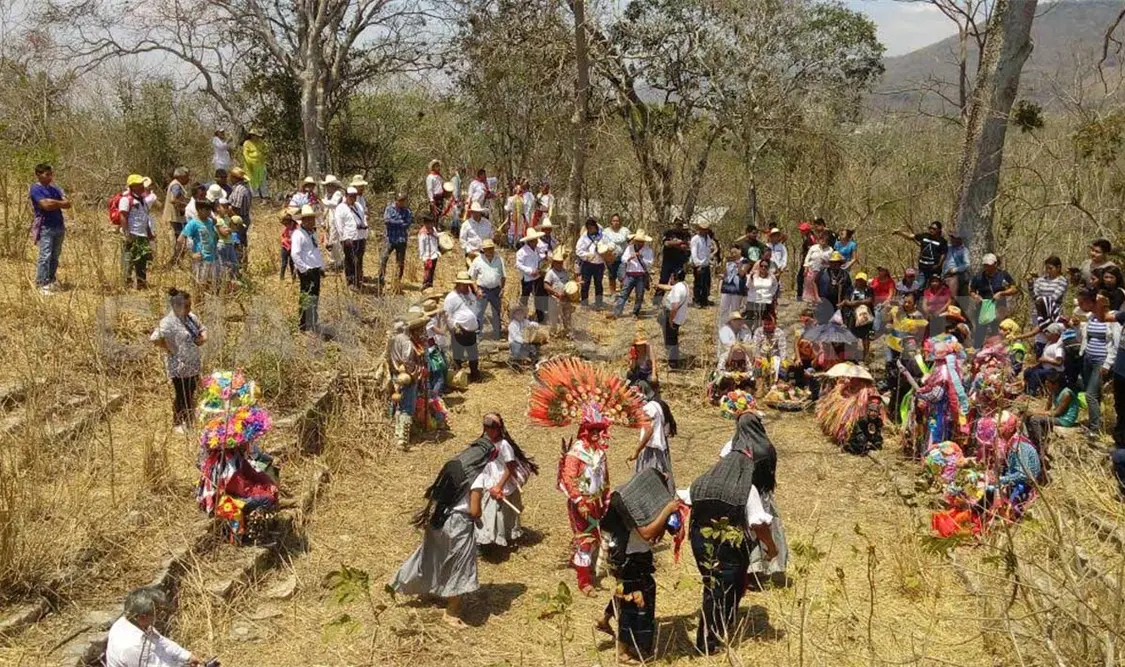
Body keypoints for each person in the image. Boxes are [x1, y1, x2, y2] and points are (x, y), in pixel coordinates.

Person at [390, 416, 500, 627]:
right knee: (460, 567)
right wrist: (479, 515)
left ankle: (409, 585)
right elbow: (475, 509)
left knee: (433, 556)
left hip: (438, 518)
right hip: (458, 523)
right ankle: (451, 613)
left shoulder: (455, 464)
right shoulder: (477, 477)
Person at [687, 413, 779, 655]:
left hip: (701, 542)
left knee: (712, 587)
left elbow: (683, 498)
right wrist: (771, 547)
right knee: (729, 587)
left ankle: (714, 632)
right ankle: (710, 639)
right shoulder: (746, 490)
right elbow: (759, 525)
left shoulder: (701, 483)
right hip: (731, 544)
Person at [594, 472, 681, 664]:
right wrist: (667, 510)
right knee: (631, 604)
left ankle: (604, 618)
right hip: (629, 557)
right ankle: (622, 651)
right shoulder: (630, 504)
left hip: (627, 553)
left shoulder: (628, 495)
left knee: (623, 590)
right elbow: (647, 533)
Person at [559, 406, 613, 595]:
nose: (598, 434)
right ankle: (584, 582)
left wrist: (606, 498)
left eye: (599, 430)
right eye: (593, 430)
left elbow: (605, 478)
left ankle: (583, 564)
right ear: (585, 431)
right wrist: (580, 501)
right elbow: (569, 478)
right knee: (586, 540)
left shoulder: (600, 453)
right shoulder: (576, 453)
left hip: (596, 503)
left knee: (595, 537)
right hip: (581, 504)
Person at [476, 414, 538, 549]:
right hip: (489, 480)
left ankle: (498, 539)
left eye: (492, 428)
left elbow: (510, 467)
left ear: (499, 428)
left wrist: (499, 486)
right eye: (487, 428)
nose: (489, 431)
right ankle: (487, 541)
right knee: (489, 513)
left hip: (501, 482)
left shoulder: (504, 445)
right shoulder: (485, 442)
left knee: (500, 513)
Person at [150, 288, 207, 435]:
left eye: (190, 305)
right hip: (179, 366)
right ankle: (178, 422)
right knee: (182, 394)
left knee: (191, 392)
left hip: (193, 364)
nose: (189, 308)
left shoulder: (190, 317)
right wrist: (168, 347)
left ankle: (188, 421)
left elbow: (201, 328)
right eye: (186, 306)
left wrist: (203, 338)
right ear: (176, 306)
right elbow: (155, 338)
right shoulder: (168, 322)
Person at [106, 586, 204, 667]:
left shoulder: (132, 621)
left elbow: (161, 642)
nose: (160, 615)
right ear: (142, 617)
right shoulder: (133, 646)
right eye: (156, 613)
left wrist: (187, 656)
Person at [1080, 290, 1120, 437]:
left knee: (1090, 394)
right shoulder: (1092, 317)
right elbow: (1086, 337)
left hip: (1101, 360)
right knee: (1092, 392)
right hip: (1088, 358)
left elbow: (1115, 344)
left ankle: (1094, 429)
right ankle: (1096, 419)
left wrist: (1107, 364)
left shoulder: (1113, 319)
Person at [29, 163, 71, 294]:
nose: (50, 177)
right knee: (45, 255)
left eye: (51, 174)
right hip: (46, 226)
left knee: (55, 255)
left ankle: (51, 280)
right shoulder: (35, 189)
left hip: (59, 225)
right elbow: (45, 205)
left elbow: (68, 203)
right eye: (47, 174)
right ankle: (41, 283)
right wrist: (58, 203)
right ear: (38, 174)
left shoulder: (55, 189)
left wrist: (53, 202)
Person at [628, 381, 677, 488]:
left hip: (652, 450)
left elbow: (648, 431)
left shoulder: (648, 409)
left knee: (650, 481)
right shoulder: (657, 404)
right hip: (660, 449)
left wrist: (637, 450)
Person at [970, 253, 1018, 347]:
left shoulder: (1003, 275)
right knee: (980, 331)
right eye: (985, 265)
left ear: (995, 264)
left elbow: (1014, 289)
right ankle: (977, 351)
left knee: (998, 329)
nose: (987, 267)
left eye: (989, 265)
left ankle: (1000, 351)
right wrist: (976, 296)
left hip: (999, 306)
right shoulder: (978, 277)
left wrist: (1002, 293)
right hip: (983, 307)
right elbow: (971, 290)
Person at [118, 174, 157, 290]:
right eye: (139, 185)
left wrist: (149, 233)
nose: (142, 187)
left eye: (142, 184)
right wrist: (127, 233)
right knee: (128, 259)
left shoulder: (143, 201)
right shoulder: (126, 200)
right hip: (132, 234)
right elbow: (123, 217)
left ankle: (141, 283)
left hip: (142, 235)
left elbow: (145, 217)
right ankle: (127, 284)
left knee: (142, 259)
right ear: (132, 187)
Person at [290, 205, 324, 333]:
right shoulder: (298, 234)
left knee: (314, 296)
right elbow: (295, 254)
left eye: (312, 219)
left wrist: (321, 266)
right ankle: (304, 324)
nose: (310, 221)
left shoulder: (312, 233)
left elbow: (315, 251)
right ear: (302, 221)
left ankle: (313, 322)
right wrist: (304, 270)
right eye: (307, 219)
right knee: (307, 296)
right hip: (307, 270)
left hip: (315, 268)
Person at [445, 272, 482, 381]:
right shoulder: (451, 298)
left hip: (471, 329)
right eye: (464, 284)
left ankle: (474, 374)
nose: (466, 286)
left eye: (467, 284)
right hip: (459, 329)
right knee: (458, 355)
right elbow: (447, 315)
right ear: (458, 284)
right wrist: (454, 327)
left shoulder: (469, 294)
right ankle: (458, 378)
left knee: (473, 354)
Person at [178, 199, 219, 292]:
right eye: (207, 210)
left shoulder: (210, 221)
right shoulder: (193, 223)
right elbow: (181, 239)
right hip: (201, 259)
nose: (209, 212)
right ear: (199, 210)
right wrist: (191, 254)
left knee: (211, 285)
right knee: (199, 286)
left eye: (210, 210)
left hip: (212, 258)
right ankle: (198, 305)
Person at [468, 239, 505, 340]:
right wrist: (476, 290)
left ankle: (497, 335)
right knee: (479, 313)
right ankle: (477, 336)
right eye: (488, 249)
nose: (490, 250)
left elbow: (503, 276)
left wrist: (502, 289)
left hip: (496, 290)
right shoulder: (477, 260)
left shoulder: (499, 259)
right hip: (482, 290)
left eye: (491, 248)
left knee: (496, 313)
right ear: (483, 250)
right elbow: (471, 277)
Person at [614, 230, 654, 319]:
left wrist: (641, 257)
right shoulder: (629, 248)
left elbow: (650, 262)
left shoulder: (648, 250)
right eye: (637, 241)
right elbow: (623, 259)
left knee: (639, 295)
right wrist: (630, 257)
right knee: (623, 294)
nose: (639, 243)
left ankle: (635, 313)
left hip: (641, 275)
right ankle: (617, 312)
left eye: (641, 241)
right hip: (630, 274)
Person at [335, 187, 366, 289]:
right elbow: (339, 225)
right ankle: (350, 281)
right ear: (346, 196)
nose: (353, 198)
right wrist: (344, 238)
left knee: (359, 260)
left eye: (354, 196)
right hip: (349, 238)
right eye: (351, 196)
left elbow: (363, 218)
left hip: (360, 236)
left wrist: (364, 227)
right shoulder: (340, 208)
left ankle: (358, 280)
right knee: (350, 260)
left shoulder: (359, 206)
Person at [379, 192, 412, 289]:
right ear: (396, 200)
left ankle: (397, 281)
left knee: (400, 262)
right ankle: (381, 279)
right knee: (383, 258)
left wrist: (395, 222)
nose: (402, 203)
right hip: (390, 238)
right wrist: (400, 222)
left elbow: (407, 224)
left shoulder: (407, 211)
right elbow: (387, 221)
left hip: (401, 239)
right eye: (400, 200)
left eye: (403, 200)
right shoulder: (389, 209)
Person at [658, 270, 690, 368]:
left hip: (673, 316)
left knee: (672, 339)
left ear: (675, 278)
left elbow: (674, 307)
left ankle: (673, 363)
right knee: (671, 336)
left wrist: (671, 320)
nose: (670, 278)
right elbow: (669, 287)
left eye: (672, 277)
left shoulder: (677, 289)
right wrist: (658, 285)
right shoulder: (683, 285)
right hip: (678, 316)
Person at [655, 218, 691, 303]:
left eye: (680, 225)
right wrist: (679, 243)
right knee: (663, 279)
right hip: (668, 260)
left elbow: (686, 247)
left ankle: (675, 299)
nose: (679, 226)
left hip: (679, 261)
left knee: (678, 280)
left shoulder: (686, 234)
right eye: (677, 224)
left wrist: (674, 244)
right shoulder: (668, 233)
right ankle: (657, 300)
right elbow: (666, 244)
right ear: (674, 224)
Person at [161, 167, 191, 269]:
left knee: (179, 241)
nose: (188, 178)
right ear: (181, 176)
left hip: (177, 218)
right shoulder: (176, 185)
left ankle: (176, 262)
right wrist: (186, 204)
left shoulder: (177, 184)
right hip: (176, 218)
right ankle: (176, 262)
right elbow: (174, 200)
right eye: (187, 176)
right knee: (180, 240)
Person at [1024, 323, 1065, 395]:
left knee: (1036, 374)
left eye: (1049, 332)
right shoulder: (1049, 343)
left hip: (1055, 371)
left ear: (1055, 334)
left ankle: (1031, 393)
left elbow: (1059, 362)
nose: (1046, 334)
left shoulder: (1059, 346)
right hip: (1045, 367)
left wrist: (1045, 360)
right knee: (1028, 371)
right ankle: (1026, 388)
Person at [516, 228, 546, 323]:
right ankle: (522, 316)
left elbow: (539, 258)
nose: (536, 242)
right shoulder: (521, 252)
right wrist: (530, 271)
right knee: (525, 297)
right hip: (527, 278)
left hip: (537, 277)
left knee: (539, 296)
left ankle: (540, 317)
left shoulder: (536, 249)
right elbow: (519, 265)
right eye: (534, 240)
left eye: (536, 240)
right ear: (529, 241)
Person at [575, 217, 607, 308]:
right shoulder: (584, 237)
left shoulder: (602, 236)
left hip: (599, 264)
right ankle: (584, 304)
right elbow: (578, 250)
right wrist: (587, 255)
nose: (591, 229)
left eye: (592, 227)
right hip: (587, 264)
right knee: (585, 284)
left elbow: (608, 245)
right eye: (588, 228)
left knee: (598, 284)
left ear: (596, 227)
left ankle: (599, 304)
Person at [717, 247, 748, 338]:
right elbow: (726, 274)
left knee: (735, 310)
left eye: (735, 251)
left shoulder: (745, 261)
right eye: (732, 252)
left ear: (740, 251)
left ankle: (735, 331)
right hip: (727, 288)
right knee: (723, 309)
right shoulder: (728, 261)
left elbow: (742, 274)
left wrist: (738, 265)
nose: (733, 253)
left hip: (737, 290)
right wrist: (722, 276)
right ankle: (723, 330)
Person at [842, 272, 874, 359]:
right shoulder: (851, 289)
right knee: (853, 336)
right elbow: (846, 300)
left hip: (865, 315)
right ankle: (853, 356)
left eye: (862, 280)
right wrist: (851, 304)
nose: (860, 282)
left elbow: (870, 300)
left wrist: (858, 302)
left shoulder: (869, 290)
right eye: (858, 280)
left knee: (866, 336)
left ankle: (866, 355)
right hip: (852, 316)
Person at [544, 247, 575, 336]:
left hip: (565, 298)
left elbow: (569, 284)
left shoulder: (566, 272)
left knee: (567, 316)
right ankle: (553, 333)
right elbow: (546, 285)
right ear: (554, 263)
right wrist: (555, 293)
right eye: (557, 263)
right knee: (553, 317)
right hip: (554, 298)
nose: (559, 264)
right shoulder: (550, 273)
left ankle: (568, 331)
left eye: (561, 263)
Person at [815, 251, 852, 324]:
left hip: (839, 304)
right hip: (824, 302)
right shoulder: (823, 272)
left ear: (840, 263)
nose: (834, 264)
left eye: (836, 262)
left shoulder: (845, 275)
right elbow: (814, 282)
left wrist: (844, 301)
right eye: (832, 262)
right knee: (823, 323)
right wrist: (817, 296)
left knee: (837, 324)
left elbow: (849, 289)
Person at [745, 258, 779, 333]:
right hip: (753, 300)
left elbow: (775, 286)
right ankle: (750, 335)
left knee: (764, 319)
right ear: (759, 266)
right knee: (750, 320)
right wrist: (751, 278)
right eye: (762, 266)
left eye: (766, 266)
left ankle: (763, 335)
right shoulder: (753, 276)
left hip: (766, 300)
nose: (763, 268)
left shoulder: (772, 277)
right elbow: (748, 286)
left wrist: (771, 294)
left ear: (768, 267)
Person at [690, 222, 718, 307]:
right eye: (703, 229)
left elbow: (708, 251)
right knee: (698, 283)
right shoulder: (695, 239)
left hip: (706, 264)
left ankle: (704, 300)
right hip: (699, 265)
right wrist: (697, 264)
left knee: (706, 283)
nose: (705, 231)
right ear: (699, 229)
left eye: (706, 229)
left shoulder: (708, 238)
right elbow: (694, 253)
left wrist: (710, 260)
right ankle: (696, 300)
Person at [602, 214, 631, 294]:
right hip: (610, 258)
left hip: (622, 258)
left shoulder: (625, 231)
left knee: (623, 277)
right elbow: (602, 244)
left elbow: (630, 242)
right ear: (611, 222)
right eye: (614, 221)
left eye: (617, 221)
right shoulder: (605, 232)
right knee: (612, 277)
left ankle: (623, 295)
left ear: (620, 221)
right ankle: (613, 294)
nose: (616, 222)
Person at [802, 234, 832, 304]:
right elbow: (807, 258)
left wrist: (827, 261)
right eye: (822, 240)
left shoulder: (830, 250)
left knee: (822, 285)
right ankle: (810, 301)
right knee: (810, 285)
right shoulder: (813, 248)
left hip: (824, 270)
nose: (823, 242)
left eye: (825, 241)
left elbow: (832, 260)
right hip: (812, 269)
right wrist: (806, 267)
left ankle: (820, 299)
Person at [228, 167, 253, 253]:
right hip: (244, 218)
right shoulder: (245, 187)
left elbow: (236, 208)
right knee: (242, 240)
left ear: (234, 178)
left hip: (239, 219)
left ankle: (239, 262)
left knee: (237, 242)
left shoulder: (239, 190)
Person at [943, 232, 971, 304]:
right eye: (951, 238)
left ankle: (952, 311)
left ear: (959, 239)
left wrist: (955, 270)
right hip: (945, 275)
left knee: (952, 297)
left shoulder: (964, 250)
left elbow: (967, 264)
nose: (952, 240)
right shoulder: (948, 248)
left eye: (954, 238)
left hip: (955, 276)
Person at [242, 128, 268, 199]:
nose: (255, 137)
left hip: (261, 164)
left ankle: (265, 196)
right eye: (254, 135)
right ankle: (255, 197)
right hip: (251, 165)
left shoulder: (260, 142)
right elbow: (245, 155)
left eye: (256, 135)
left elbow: (265, 150)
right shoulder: (247, 143)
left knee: (263, 180)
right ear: (251, 135)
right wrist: (250, 164)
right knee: (253, 181)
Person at [417, 212, 441, 290]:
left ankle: (430, 285)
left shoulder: (433, 230)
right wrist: (424, 258)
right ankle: (425, 285)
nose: (431, 224)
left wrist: (433, 233)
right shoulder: (422, 234)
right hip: (427, 256)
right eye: (429, 223)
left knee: (432, 271)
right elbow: (421, 247)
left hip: (434, 254)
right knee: (427, 271)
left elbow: (437, 237)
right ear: (425, 223)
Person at [869, 266, 896, 333]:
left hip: (885, 302)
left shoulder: (890, 281)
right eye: (879, 270)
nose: (880, 272)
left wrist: (884, 303)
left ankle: (874, 330)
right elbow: (870, 290)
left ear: (886, 271)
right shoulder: (875, 279)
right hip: (874, 300)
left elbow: (890, 295)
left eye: (882, 270)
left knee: (877, 312)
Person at [795, 222, 815, 301]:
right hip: (806, 261)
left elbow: (810, 252)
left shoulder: (810, 239)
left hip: (808, 263)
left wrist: (806, 264)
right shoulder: (808, 238)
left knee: (801, 278)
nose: (801, 232)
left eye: (803, 230)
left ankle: (801, 296)